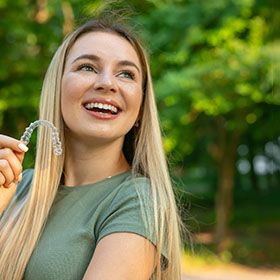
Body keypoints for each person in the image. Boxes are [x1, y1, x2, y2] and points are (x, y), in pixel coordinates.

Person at [0, 16, 185, 280]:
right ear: (57, 87)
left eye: (126, 74)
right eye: (87, 67)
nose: (107, 83)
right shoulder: (16, 186)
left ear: (141, 107)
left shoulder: (138, 201)